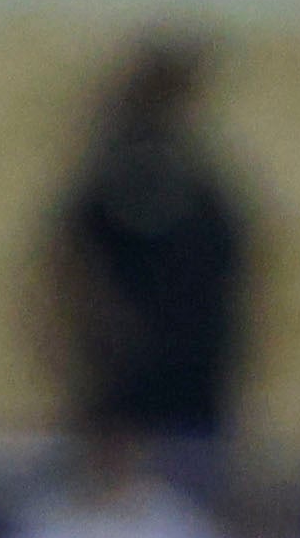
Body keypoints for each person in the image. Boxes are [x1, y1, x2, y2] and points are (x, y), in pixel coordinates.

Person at [39, 35, 261, 447]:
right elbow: (78, 263)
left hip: (196, 375)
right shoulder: (128, 173)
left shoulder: (191, 176)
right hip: (136, 382)